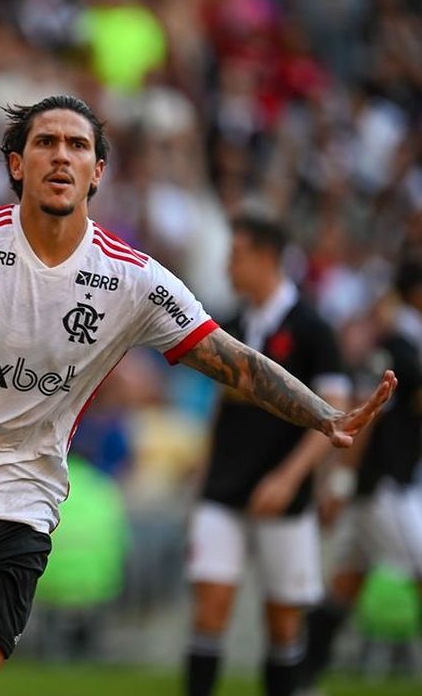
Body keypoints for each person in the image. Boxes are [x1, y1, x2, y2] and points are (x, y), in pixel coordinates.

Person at [0, 95, 397, 696]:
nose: (62, 154)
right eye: (46, 142)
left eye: (78, 146)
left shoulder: (133, 280)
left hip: (14, 518)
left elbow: (235, 362)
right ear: (16, 165)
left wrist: (324, 415)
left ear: (97, 173)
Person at [182, 216, 353, 696]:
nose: (228, 265)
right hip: (223, 491)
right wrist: (203, 470)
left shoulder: (314, 329)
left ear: (266, 258)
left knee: (282, 623)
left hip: (286, 498)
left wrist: (287, 478)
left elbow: (331, 419)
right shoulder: (230, 326)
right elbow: (221, 404)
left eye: (235, 254)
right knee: (209, 608)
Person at [297, 259, 422, 695]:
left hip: (388, 485)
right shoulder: (396, 349)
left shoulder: (409, 345)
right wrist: (340, 484)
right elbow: (366, 420)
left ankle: (299, 678)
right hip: (380, 489)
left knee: (345, 586)